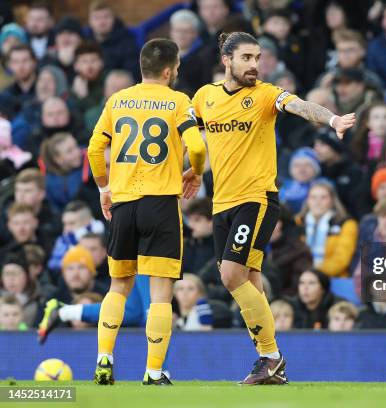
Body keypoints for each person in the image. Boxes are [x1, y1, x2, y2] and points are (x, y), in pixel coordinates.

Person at [190, 32, 355, 385]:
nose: (255, 65)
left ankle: (271, 356)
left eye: (258, 57)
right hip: (222, 203)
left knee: (231, 276)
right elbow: (196, 137)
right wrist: (192, 166)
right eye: (247, 58)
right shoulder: (205, 97)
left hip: (257, 199)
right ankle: (271, 364)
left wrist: (332, 120)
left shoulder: (264, 94)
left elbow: (299, 105)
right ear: (227, 60)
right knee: (249, 280)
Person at [41, 39, 206, 385]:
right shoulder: (178, 101)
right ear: (168, 70)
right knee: (161, 293)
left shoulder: (118, 100)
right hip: (161, 203)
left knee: (118, 286)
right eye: (176, 68)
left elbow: (94, 148)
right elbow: (196, 145)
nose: (177, 72)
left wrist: (104, 187)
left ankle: (104, 360)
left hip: (124, 203)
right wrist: (196, 171)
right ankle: (153, 371)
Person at [296, 181, 358, 278]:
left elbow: (341, 259)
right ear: (307, 200)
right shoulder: (297, 223)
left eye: (323, 197)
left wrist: (315, 273)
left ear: (332, 200)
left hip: (333, 279)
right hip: (299, 278)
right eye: (313, 197)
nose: (318, 202)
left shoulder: (346, 224)